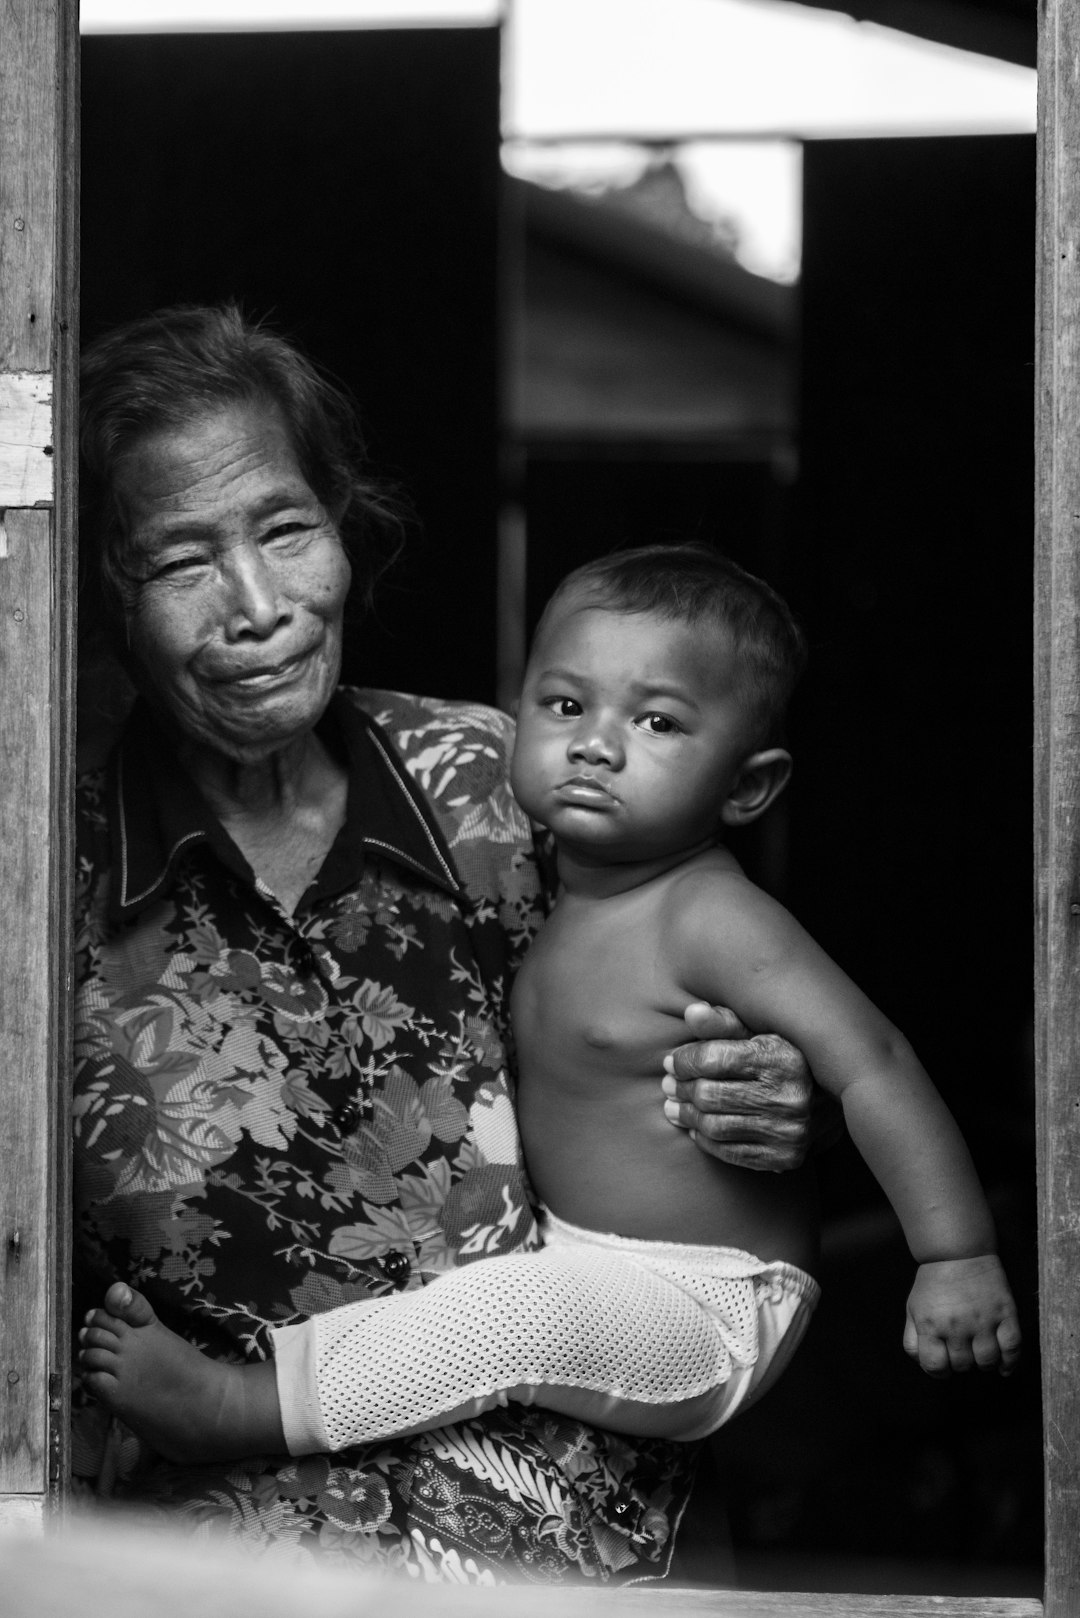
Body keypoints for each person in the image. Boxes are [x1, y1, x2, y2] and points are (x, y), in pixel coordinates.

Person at [71, 305, 819, 1585]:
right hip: (233, 1570)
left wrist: (756, 1088)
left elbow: (696, 1035)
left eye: (287, 531)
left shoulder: (501, 783)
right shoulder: (51, 875)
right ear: (98, 590)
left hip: (578, 1534)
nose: (259, 608)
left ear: (346, 530)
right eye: (182, 561)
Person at [79, 543, 1021, 1481]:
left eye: (656, 722)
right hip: (587, 1264)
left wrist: (954, 1255)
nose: (595, 744)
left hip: (709, 1302)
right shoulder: (558, 883)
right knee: (499, 1297)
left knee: (514, 1312)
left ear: (747, 788)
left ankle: (241, 1406)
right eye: (565, 706)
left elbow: (874, 1063)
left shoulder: (712, 916)